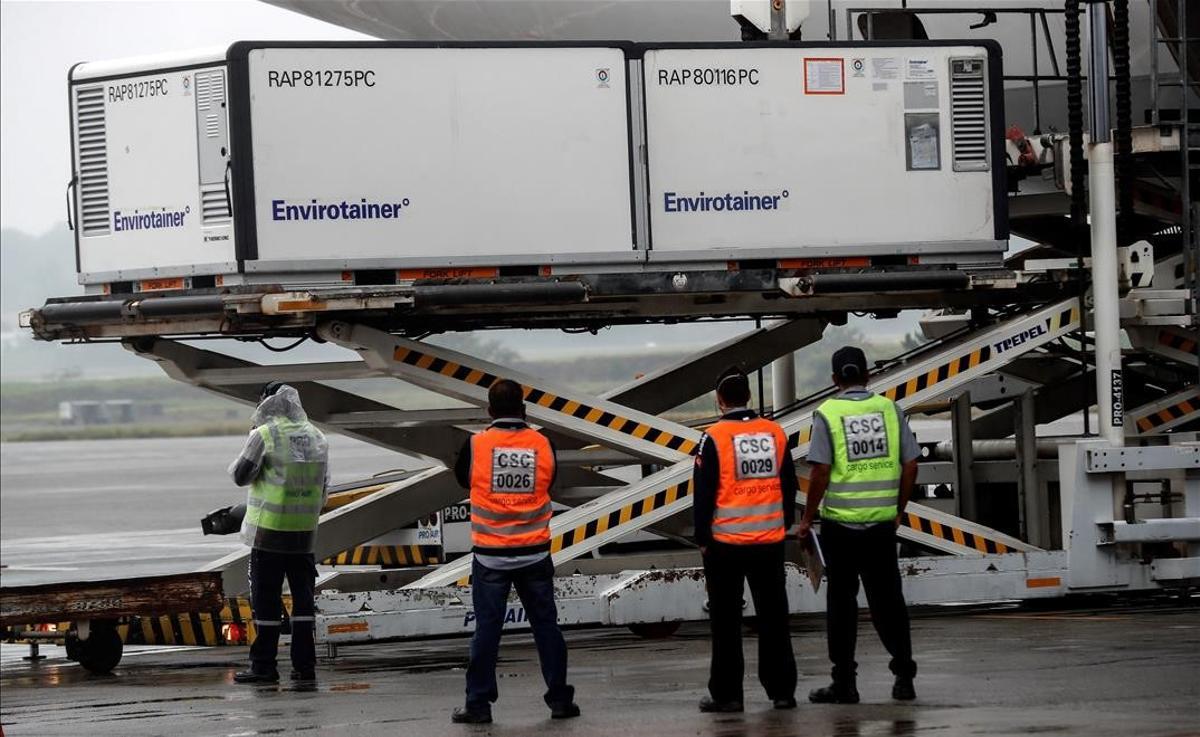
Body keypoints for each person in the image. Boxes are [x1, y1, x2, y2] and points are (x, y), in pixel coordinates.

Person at [450, 379, 580, 724]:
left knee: (487, 631)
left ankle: (478, 704)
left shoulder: (476, 445)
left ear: (490, 410)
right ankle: (560, 700)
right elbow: (549, 482)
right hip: (534, 552)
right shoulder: (542, 443)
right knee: (546, 627)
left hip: (491, 554)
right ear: (524, 409)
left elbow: (463, 480)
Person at [799, 346, 920, 703]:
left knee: (842, 606)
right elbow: (911, 464)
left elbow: (820, 470)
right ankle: (903, 678)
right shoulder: (889, 409)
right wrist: (897, 509)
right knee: (889, 603)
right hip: (882, 527)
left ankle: (845, 684)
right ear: (868, 375)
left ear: (835, 379)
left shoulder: (827, 413)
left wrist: (807, 518)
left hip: (841, 528)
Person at [692, 368, 799, 713]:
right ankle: (782, 691)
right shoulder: (774, 433)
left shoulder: (713, 438)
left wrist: (703, 538)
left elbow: (704, 494)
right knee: (773, 618)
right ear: (749, 397)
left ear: (720, 400)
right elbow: (789, 486)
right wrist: (781, 525)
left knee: (725, 622)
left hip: (726, 544)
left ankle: (728, 695)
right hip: (768, 541)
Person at [228, 382, 328, 685]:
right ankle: (305, 666)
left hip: (268, 534)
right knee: (303, 603)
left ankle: (264, 666)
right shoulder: (317, 436)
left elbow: (239, 476)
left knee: (266, 602)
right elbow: (324, 488)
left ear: (266, 404)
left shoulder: (264, 435)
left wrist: (251, 437)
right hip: (304, 535)